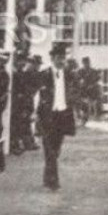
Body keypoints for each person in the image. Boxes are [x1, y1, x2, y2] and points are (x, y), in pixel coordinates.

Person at [34, 45, 79, 191]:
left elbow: (77, 90)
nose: (61, 61)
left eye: (63, 58)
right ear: (52, 58)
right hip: (48, 115)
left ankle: (47, 178)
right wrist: (34, 113)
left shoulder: (70, 74)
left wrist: (73, 103)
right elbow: (35, 94)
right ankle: (53, 181)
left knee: (56, 148)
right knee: (49, 148)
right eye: (59, 58)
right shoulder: (43, 74)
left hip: (63, 115)